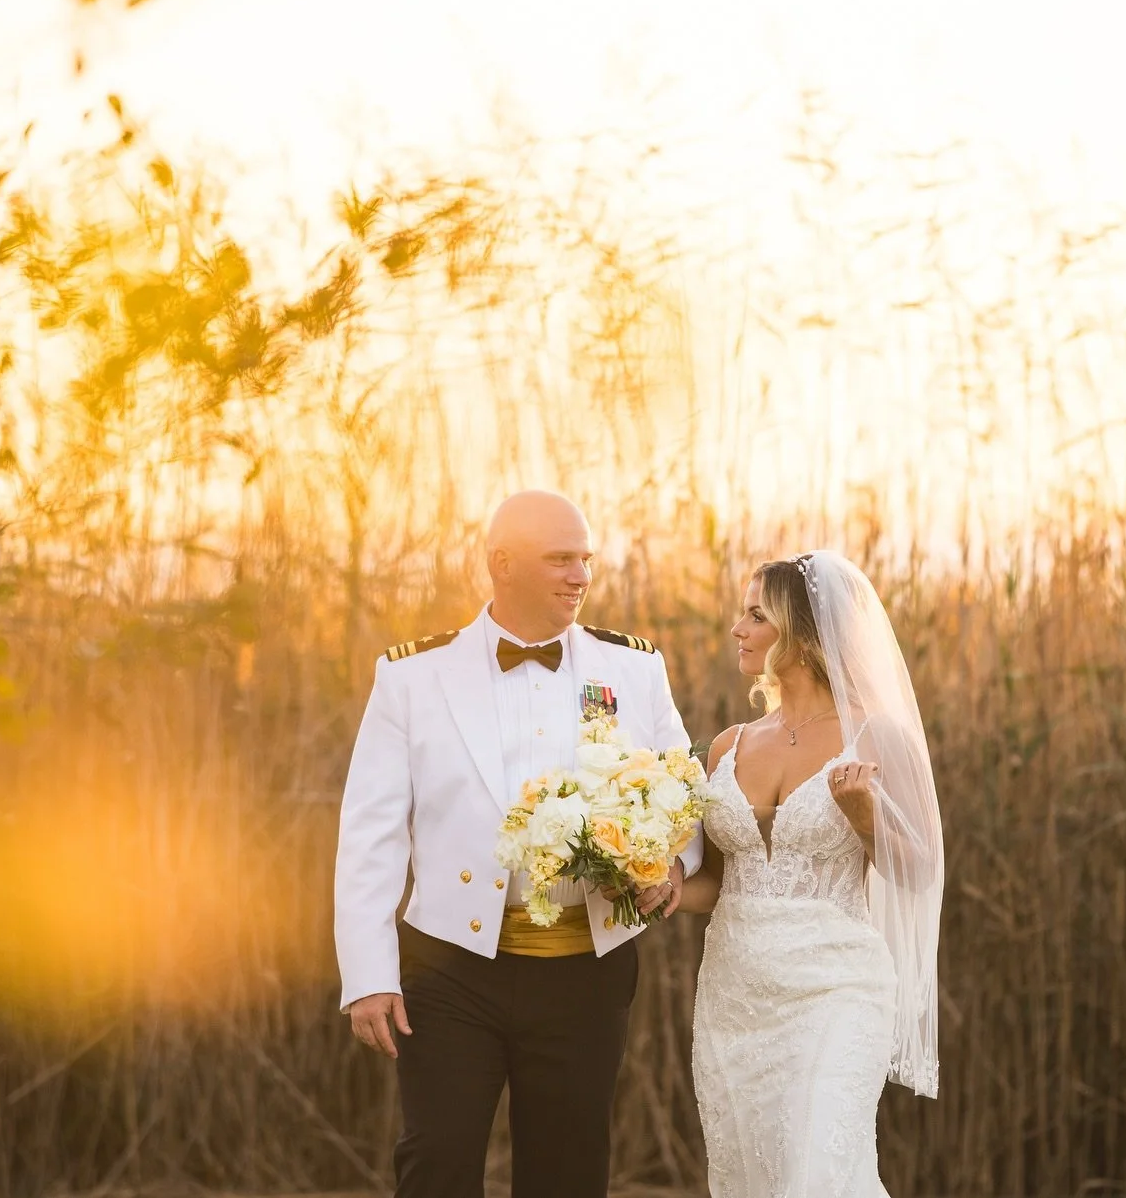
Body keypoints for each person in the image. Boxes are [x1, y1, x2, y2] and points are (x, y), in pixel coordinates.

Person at [334, 490, 703, 1198]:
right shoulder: (411, 676)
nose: (580, 576)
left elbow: (682, 790)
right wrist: (369, 972)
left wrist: (674, 866)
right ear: (501, 564)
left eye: (586, 559)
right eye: (560, 559)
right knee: (436, 1162)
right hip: (449, 972)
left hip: (585, 975)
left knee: (567, 1175)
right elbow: (370, 829)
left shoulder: (632, 669)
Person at [656, 551, 943, 1198]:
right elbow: (718, 882)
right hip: (736, 1001)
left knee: (819, 1173)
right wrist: (671, 889)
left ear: (805, 634)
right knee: (753, 1180)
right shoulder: (729, 745)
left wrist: (865, 815)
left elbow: (922, 868)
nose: (738, 628)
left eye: (757, 615)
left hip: (836, 990)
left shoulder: (876, 735)